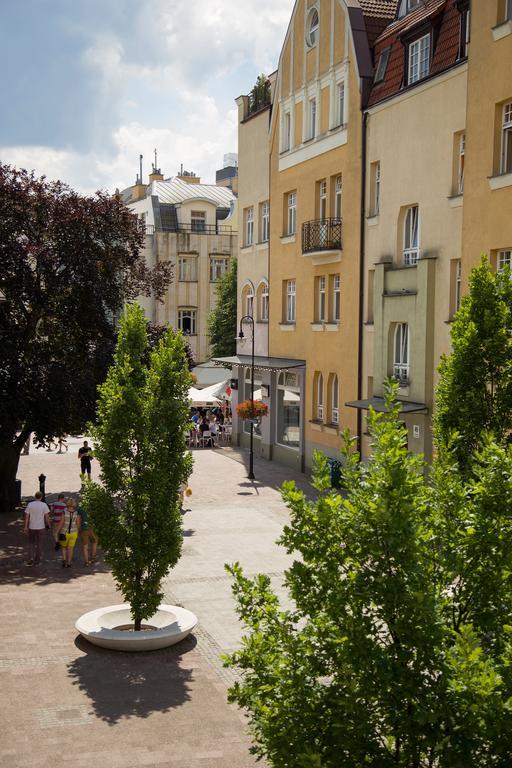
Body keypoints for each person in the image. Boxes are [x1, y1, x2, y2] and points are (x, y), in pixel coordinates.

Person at [24, 491, 50, 566]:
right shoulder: (44, 505)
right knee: (39, 544)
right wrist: (49, 524)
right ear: (41, 497)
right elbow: (47, 517)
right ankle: (37, 560)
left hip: (32, 526)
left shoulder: (30, 504)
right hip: (41, 526)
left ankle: (30, 558)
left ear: (35, 497)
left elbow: (27, 516)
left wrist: (26, 526)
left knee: (31, 543)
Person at [57, 498, 81, 568]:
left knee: (63, 547)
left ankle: (64, 560)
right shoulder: (76, 513)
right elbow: (78, 523)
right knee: (70, 548)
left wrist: (57, 531)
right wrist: (78, 531)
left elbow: (61, 522)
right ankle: (69, 562)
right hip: (74, 533)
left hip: (64, 532)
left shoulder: (64, 512)